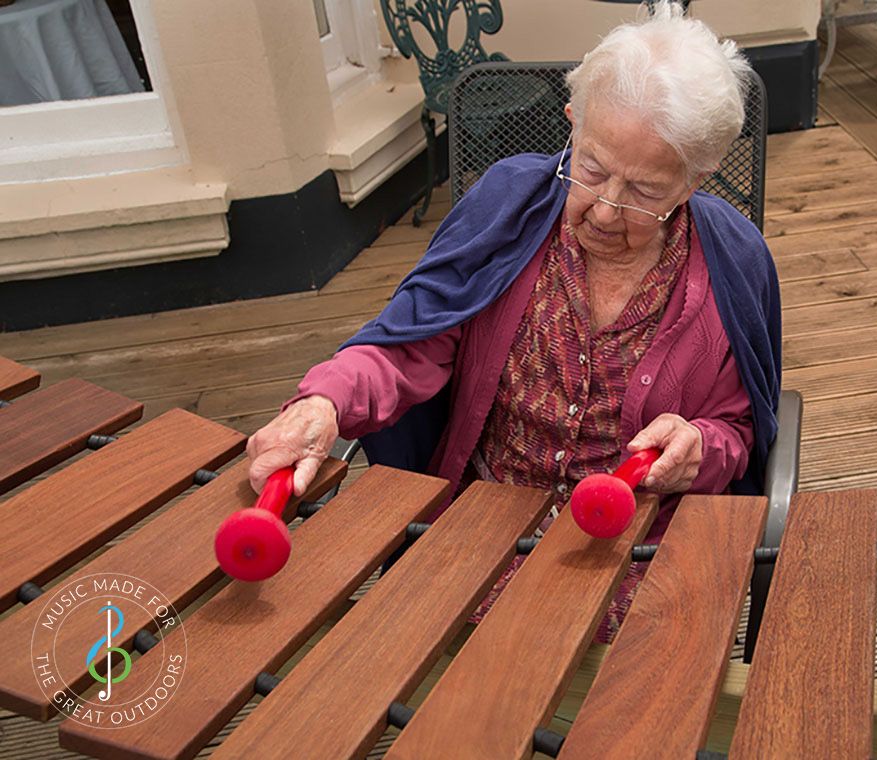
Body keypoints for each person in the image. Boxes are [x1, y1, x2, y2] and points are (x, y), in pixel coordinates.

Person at [246, 2, 781, 639]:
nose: (606, 212)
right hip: (477, 533)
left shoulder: (735, 263)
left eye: (643, 192)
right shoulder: (506, 207)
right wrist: (324, 403)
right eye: (591, 168)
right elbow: (409, 347)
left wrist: (700, 449)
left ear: (697, 177)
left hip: (640, 554)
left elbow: (737, 430)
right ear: (572, 123)